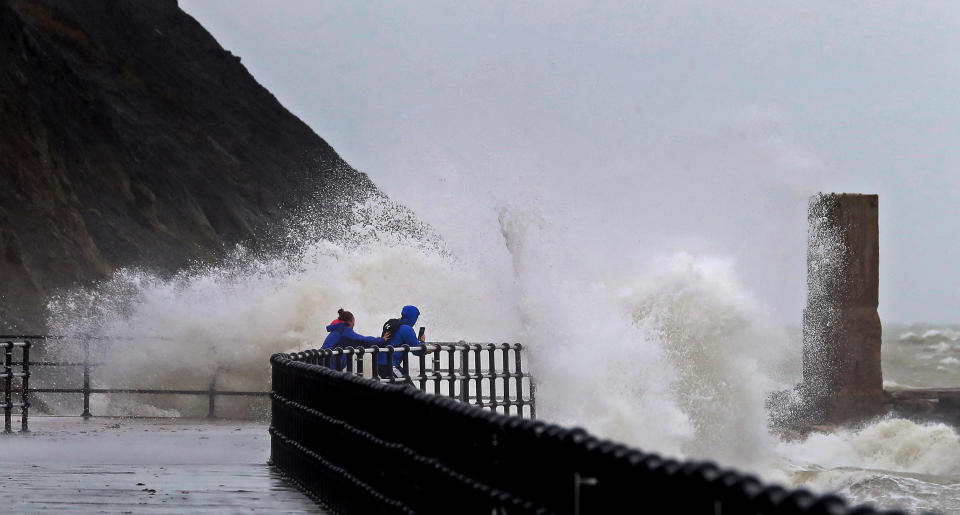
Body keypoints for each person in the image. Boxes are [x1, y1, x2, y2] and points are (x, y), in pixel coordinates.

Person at [322, 308, 388, 370]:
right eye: (354, 321)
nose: (354, 324)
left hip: (322, 359)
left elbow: (356, 343)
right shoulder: (344, 330)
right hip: (329, 362)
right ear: (350, 322)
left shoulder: (337, 329)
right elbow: (362, 340)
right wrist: (382, 340)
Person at [377, 305, 426, 383]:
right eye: (416, 318)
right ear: (413, 317)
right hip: (390, 366)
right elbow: (418, 351)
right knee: (409, 389)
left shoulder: (395, 325)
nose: (416, 321)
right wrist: (422, 342)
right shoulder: (407, 329)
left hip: (379, 364)